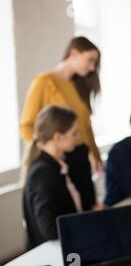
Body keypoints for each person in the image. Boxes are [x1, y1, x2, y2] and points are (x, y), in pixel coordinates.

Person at [20, 36, 103, 212]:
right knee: (65, 214)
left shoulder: (79, 86)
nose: (92, 67)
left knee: (89, 209)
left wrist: (95, 155)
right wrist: (45, 152)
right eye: (90, 60)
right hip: (58, 158)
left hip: (81, 155)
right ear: (73, 53)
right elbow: (26, 125)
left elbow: (86, 127)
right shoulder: (44, 82)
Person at [23, 106, 84, 249]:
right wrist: (86, 223)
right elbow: (50, 230)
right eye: (74, 133)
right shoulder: (43, 174)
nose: (78, 137)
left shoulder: (57, 165)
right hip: (53, 254)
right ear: (57, 137)